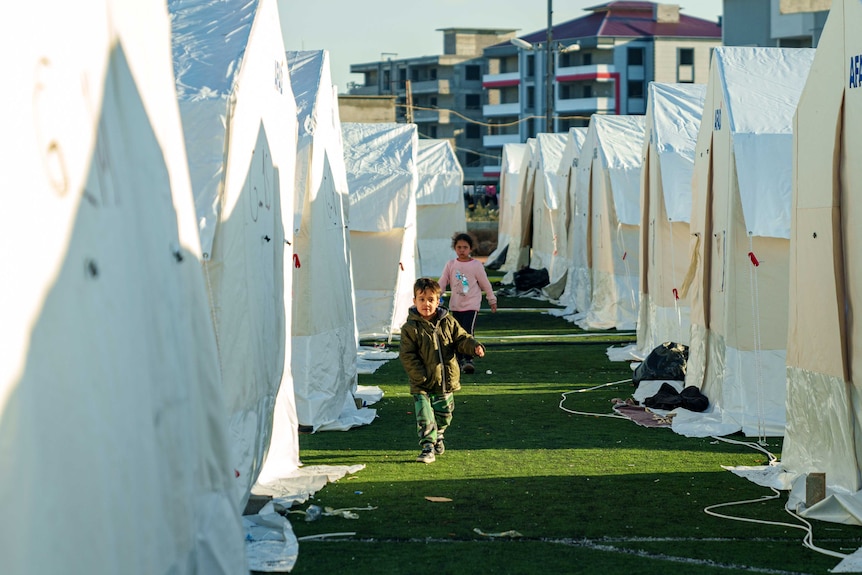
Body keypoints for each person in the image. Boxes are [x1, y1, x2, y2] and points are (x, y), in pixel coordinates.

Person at [400, 278, 485, 463]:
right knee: (424, 415)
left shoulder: (448, 322)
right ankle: (427, 447)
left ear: (438, 301)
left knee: (445, 414)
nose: (426, 304)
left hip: (445, 380)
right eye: (422, 299)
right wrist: (419, 375)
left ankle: (439, 434)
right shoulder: (410, 328)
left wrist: (474, 346)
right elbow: (407, 355)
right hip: (421, 382)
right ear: (414, 301)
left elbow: (462, 339)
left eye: (431, 299)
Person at [439, 232, 497, 374]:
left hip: (471, 305)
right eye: (459, 247)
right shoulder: (451, 265)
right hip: (456, 305)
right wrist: (434, 297)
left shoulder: (476, 265)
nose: (462, 250)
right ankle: (458, 359)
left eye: (465, 247)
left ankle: (468, 359)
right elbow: (442, 282)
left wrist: (492, 300)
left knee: (468, 332)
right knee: (456, 333)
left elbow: (485, 284)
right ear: (455, 248)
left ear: (471, 249)